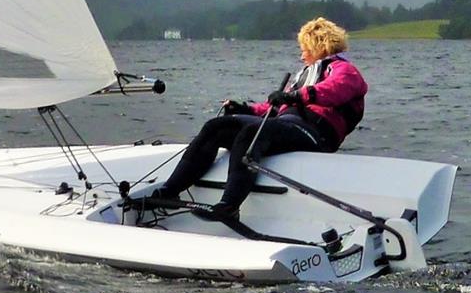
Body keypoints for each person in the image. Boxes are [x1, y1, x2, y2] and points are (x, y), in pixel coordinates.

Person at [155, 17, 368, 219]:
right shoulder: (306, 75)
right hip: (287, 124)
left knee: (252, 133)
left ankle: (228, 206)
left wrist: (295, 95)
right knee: (217, 127)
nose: (301, 56)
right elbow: (273, 109)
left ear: (318, 46)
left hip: (315, 133)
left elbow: (334, 90)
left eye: (304, 49)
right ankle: (170, 191)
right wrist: (245, 109)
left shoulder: (345, 71)